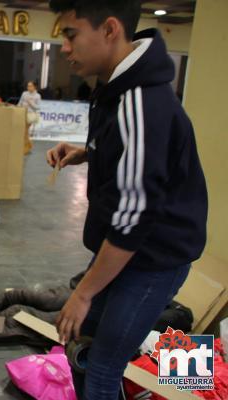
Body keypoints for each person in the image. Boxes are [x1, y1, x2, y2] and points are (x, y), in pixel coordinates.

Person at [45, 1, 207, 399]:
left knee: (101, 366)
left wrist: (84, 292)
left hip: (152, 259)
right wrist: (89, 152)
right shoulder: (113, 85)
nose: (64, 48)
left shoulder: (142, 103)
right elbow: (131, 155)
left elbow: (133, 220)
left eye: (70, 35)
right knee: (79, 344)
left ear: (110, 29)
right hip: (125, 248)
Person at [17, 81, 41, 154]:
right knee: (24, 131)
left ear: (34, 87)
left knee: (25, 130)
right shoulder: (24, 93)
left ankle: (26, 147)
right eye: (28, 86)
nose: (28, 87)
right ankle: (28, 145)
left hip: (31, 115)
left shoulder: (37, 96)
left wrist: (31, 103)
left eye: (30, 86)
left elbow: (38, 107)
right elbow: (20, 103)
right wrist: (17, 108)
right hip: (22, 113)